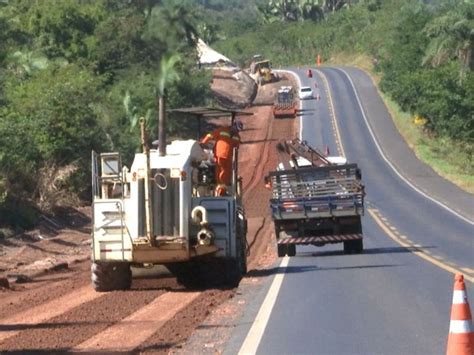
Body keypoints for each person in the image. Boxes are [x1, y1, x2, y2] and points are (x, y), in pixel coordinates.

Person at [200, 122, 241, 196]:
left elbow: (237, 146)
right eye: (235, 129)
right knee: (220, 171)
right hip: (220, 154)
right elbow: (210, 135)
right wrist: (202, 143)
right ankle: (220, 187)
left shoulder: (237, 137)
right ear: (233, 126)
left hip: (229, 157)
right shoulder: (222, 130)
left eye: (237, 130)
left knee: (227, 172)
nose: (236, 131)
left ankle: (224, 188)